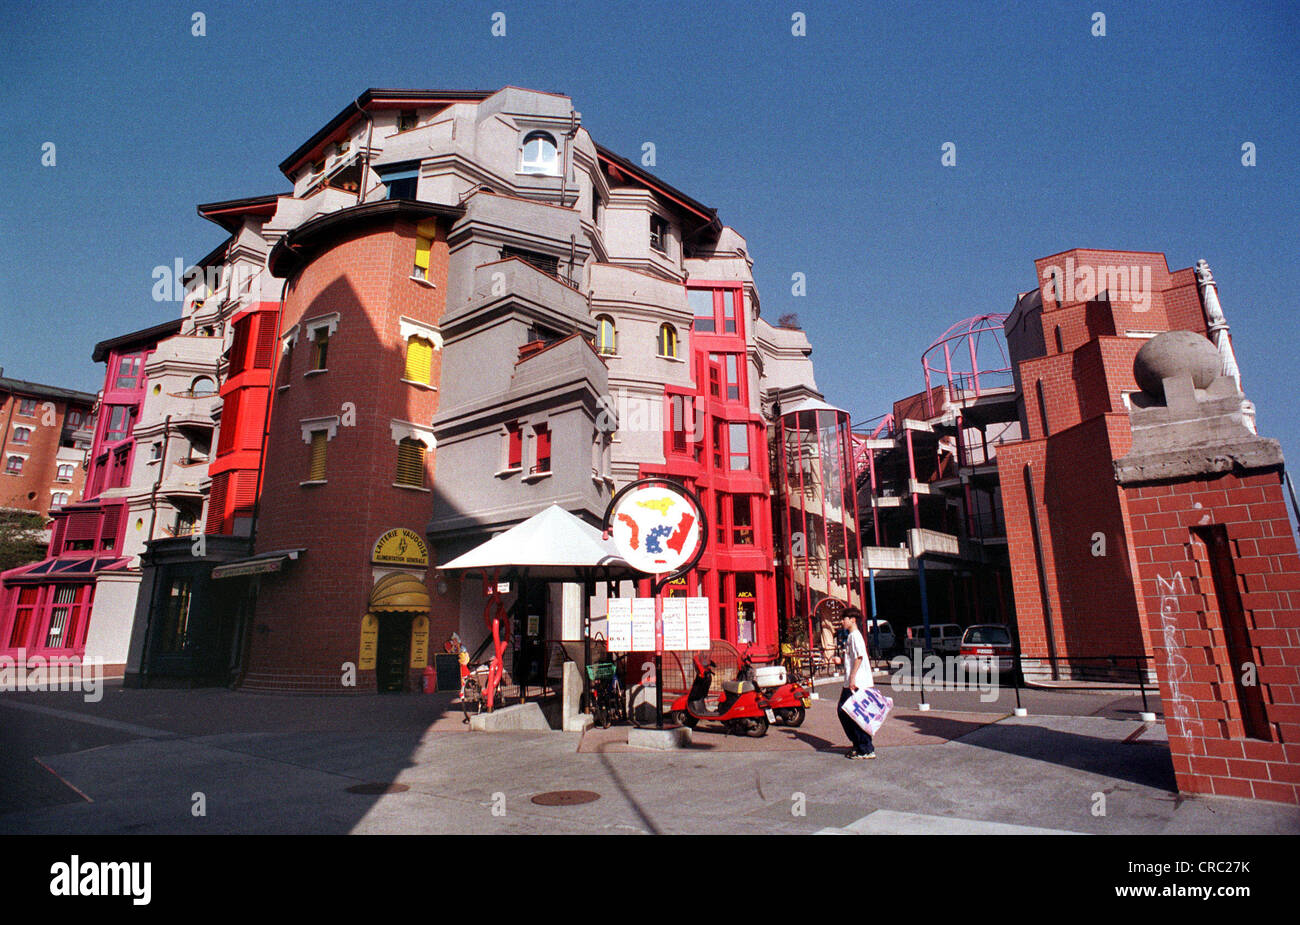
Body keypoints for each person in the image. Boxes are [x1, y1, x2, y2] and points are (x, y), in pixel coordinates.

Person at [837, 607, 876, 759]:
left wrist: (853, 678)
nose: (842, 621)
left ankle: (865, 748)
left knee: (851, 714)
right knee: (848, 713)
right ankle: (860, 745)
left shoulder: (855, 636)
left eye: (844, 618)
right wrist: (840, 661)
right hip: (852, 682)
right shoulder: (852, 636)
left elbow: (859, 657)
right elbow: (854, 658)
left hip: (856, 683)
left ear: (852, 620)